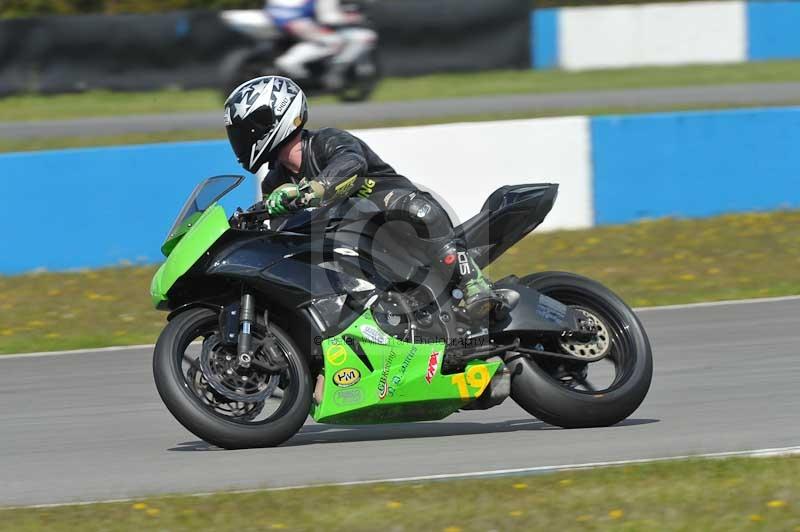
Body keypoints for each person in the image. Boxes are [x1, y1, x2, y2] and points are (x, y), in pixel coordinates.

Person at [224, 75, 503, 321]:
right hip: (351, 242)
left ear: (271, 119)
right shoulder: (274, 182)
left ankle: (472, 282)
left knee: (417, 209)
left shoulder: (326, 141)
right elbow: (282, 230)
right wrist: (253, 220)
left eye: (246, 129)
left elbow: (351, 163)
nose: (242, 139)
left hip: (394, 216)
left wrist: (309, 191)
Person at [264, 0, 375, 90]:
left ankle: (333, 71)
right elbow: (328, 18)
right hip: (308, 31)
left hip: (307, 30)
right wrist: (351, 18)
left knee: (360, 37)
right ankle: (331, 73)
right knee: (339, 41)